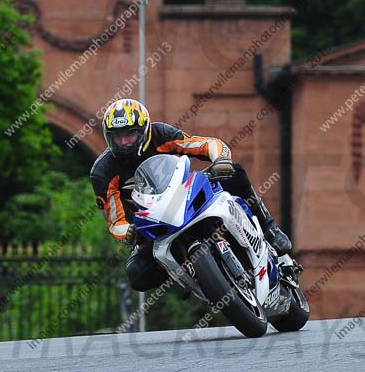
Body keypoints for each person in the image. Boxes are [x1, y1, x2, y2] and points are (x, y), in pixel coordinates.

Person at [89, 98, 292, 292]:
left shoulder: (160, 134)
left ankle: (269, 228)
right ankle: (186, 274)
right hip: (150, 227)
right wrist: (128, 232)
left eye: (130, 134)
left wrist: (220, 160)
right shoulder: (102, 172)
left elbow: (206, 144)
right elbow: (115, 222)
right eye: (117, 136)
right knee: (137, 275)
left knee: (235, 173)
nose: (124, 142)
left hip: (183, 199)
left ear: (143, 131)